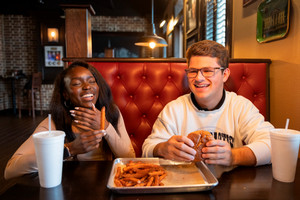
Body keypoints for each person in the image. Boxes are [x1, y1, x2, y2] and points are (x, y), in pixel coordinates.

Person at [142, 40, 273, 173]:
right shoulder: (174, 109)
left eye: (208, 71)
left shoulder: (240, 107)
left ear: (225, 74)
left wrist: (233, 156)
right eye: (193, 71)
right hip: (184, 182)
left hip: (230, 186)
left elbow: (272, 145)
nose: (199, 78)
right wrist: (162, 148)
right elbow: (147, 149)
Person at [5, 61, 135, 179]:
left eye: (91, 81)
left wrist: (106, 127)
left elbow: (130, 157)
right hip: (71, 188)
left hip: (109, 183)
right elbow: (11, 169)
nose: (87, 87)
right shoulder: (55, 122)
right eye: (77, 83)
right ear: (65, 94)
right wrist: (69, 150)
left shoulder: (112, 112)